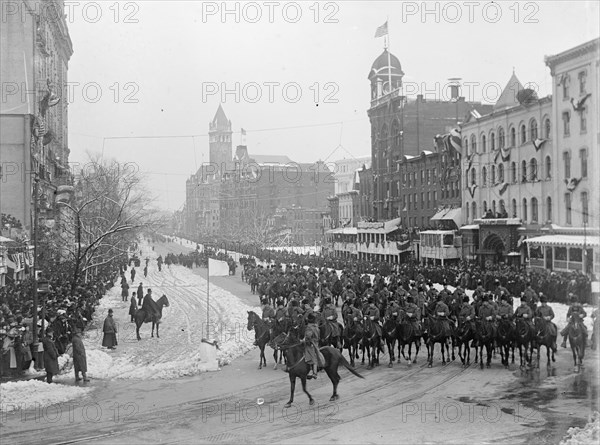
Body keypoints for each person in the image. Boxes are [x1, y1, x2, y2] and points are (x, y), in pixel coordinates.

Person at [302, 312, 325, 379]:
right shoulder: (316, 326)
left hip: (310, 343)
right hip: (315, 342)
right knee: (314, 356)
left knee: (311, 357)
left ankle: (313, 372)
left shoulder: (309, 327)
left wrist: (304, 340)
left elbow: (308, 336)